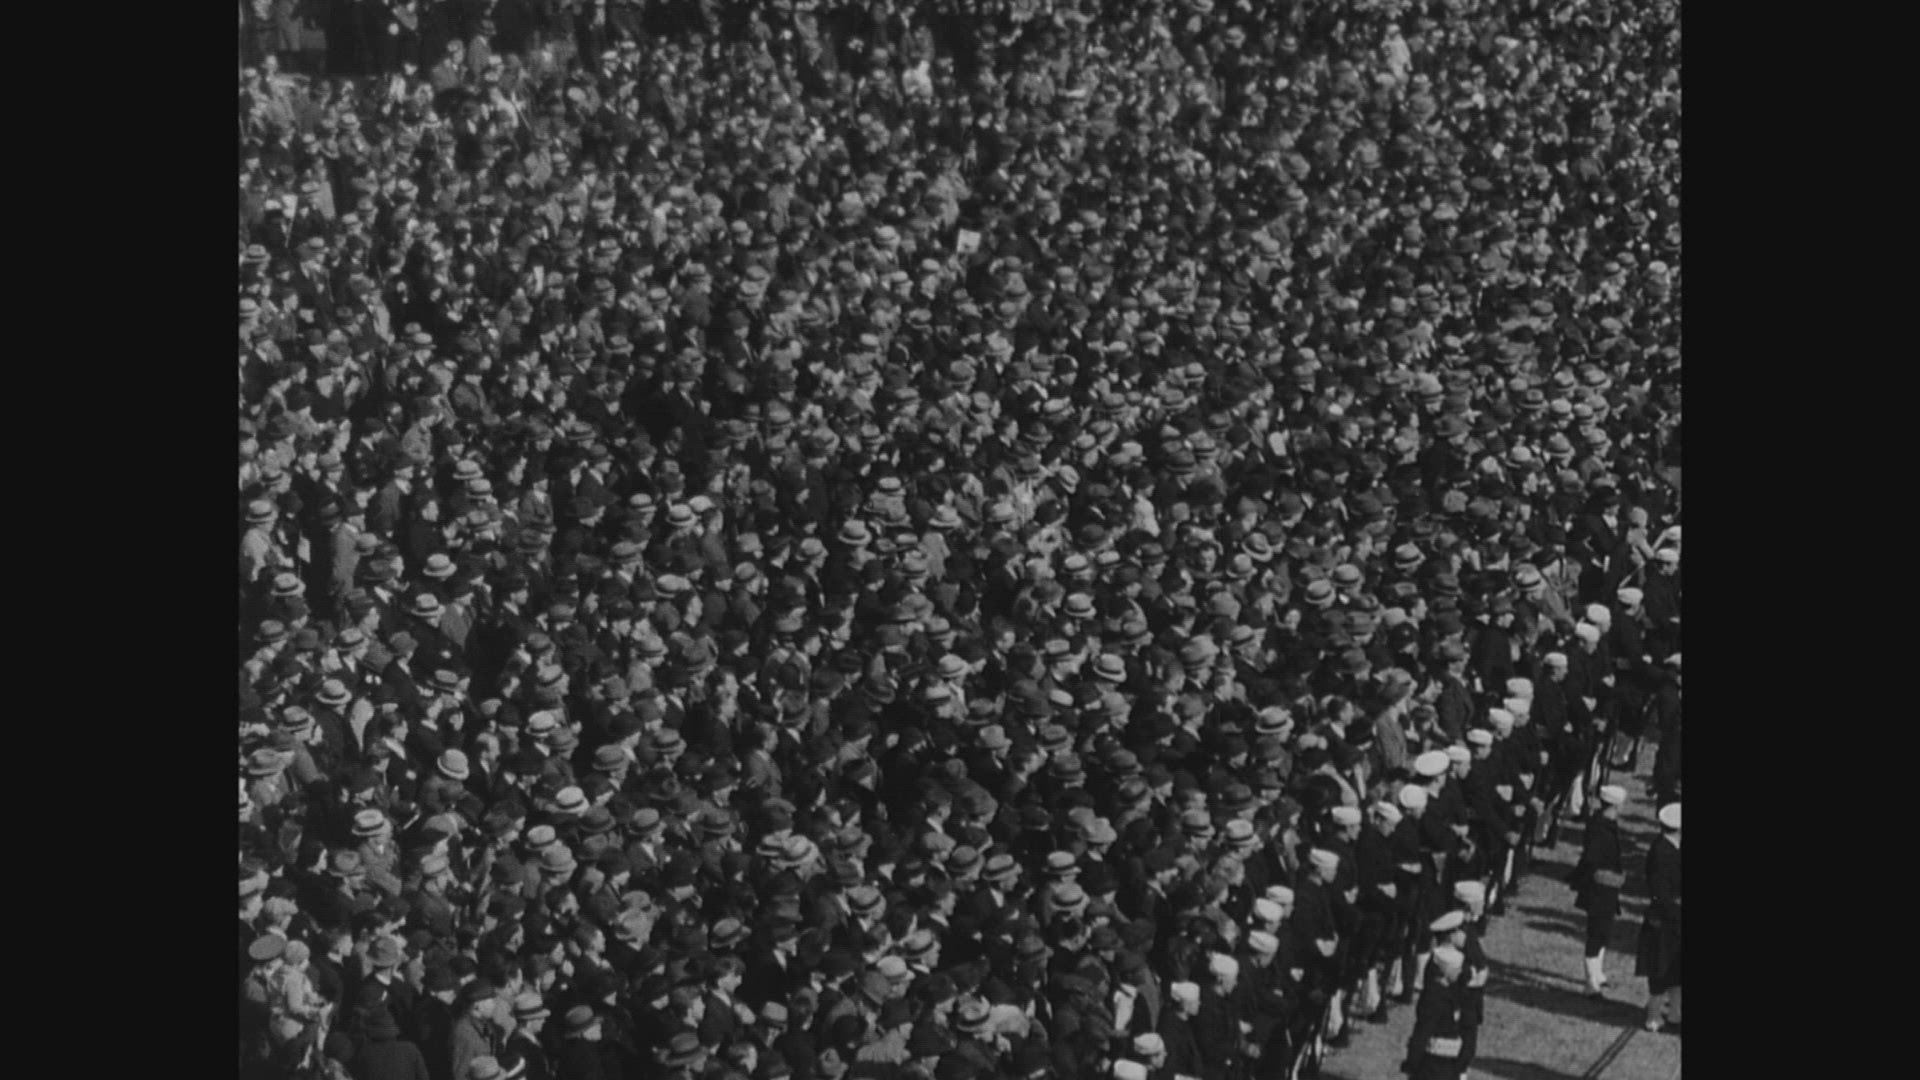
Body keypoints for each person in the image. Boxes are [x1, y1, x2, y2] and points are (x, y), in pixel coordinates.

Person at [1569, 785, 1628, 996]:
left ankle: (1598, 973)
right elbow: (1592, 860)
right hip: (1599, 888)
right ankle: (1590, 982)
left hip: (1606, 888)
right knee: (1596, 933)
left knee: (1604, 931)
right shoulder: (1600, 829)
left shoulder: (1605, 824)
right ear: (1615, 805)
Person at [1639, 803, 1683, 1033]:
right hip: (1664, 921)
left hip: (1674, 920)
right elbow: (1660, 893)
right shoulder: (1661, 852)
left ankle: (1675, 1013)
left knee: (1676, 970)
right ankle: (1653, 1016)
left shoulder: (1672, 848)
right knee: (1660, 971)